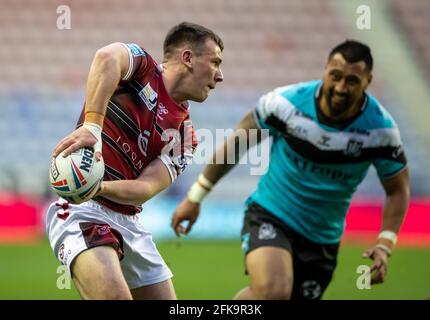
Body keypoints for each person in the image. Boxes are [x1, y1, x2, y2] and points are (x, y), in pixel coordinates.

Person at [171, 40, 410, 300]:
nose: (341, 88)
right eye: (335, 76)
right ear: (325, 70)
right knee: (274, 292)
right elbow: (237, 143)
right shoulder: (286, 105)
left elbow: (397, 190)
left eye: (352, 81)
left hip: (322, 239)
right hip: (272, 215)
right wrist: (196, 197)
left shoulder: (380, 131)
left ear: (368, 81)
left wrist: (385, 244)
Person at [47, 22, 224, 300]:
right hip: (82, 210)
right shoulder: (142, 68)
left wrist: (98, 187)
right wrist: (93, 127)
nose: (220, 75)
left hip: (129, 221)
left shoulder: (186, 136)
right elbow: (106, 57)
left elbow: (145, 188)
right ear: (188, 58)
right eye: (215, 62)